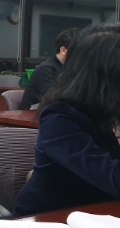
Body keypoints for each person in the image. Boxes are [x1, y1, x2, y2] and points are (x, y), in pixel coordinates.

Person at [14, 25, 120, 217]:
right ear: (107, 75)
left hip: (100, 210)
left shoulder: (106, 109)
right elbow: (112, 177)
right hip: (51, 218)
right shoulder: (59, 117)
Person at [19, 28, 79, 109]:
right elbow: (53, 99)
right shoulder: (46, 69)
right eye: (78, 51)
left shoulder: (70, 68)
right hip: (33, 114)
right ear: (63, 50)